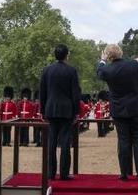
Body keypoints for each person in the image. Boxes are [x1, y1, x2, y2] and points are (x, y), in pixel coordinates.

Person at [96, 43, 138, 182]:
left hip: (119, 109)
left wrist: (102, 60)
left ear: (108, 55)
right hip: (136, 107)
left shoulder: (107, 69)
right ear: (120, 52)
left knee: (123, 141)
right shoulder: (134, 64)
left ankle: (124, 173)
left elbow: (99, 72)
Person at [40, 43, 82, 181]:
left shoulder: (46, 70)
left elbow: (43, 93)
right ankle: (64, 173)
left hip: (50, 109)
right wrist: (77, 112)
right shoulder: (71, 71)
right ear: (66, 55)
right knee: (65, 142)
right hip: (66, 110)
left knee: (51, 142)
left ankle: (50, 173)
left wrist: (42, 110)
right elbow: (75, 94)